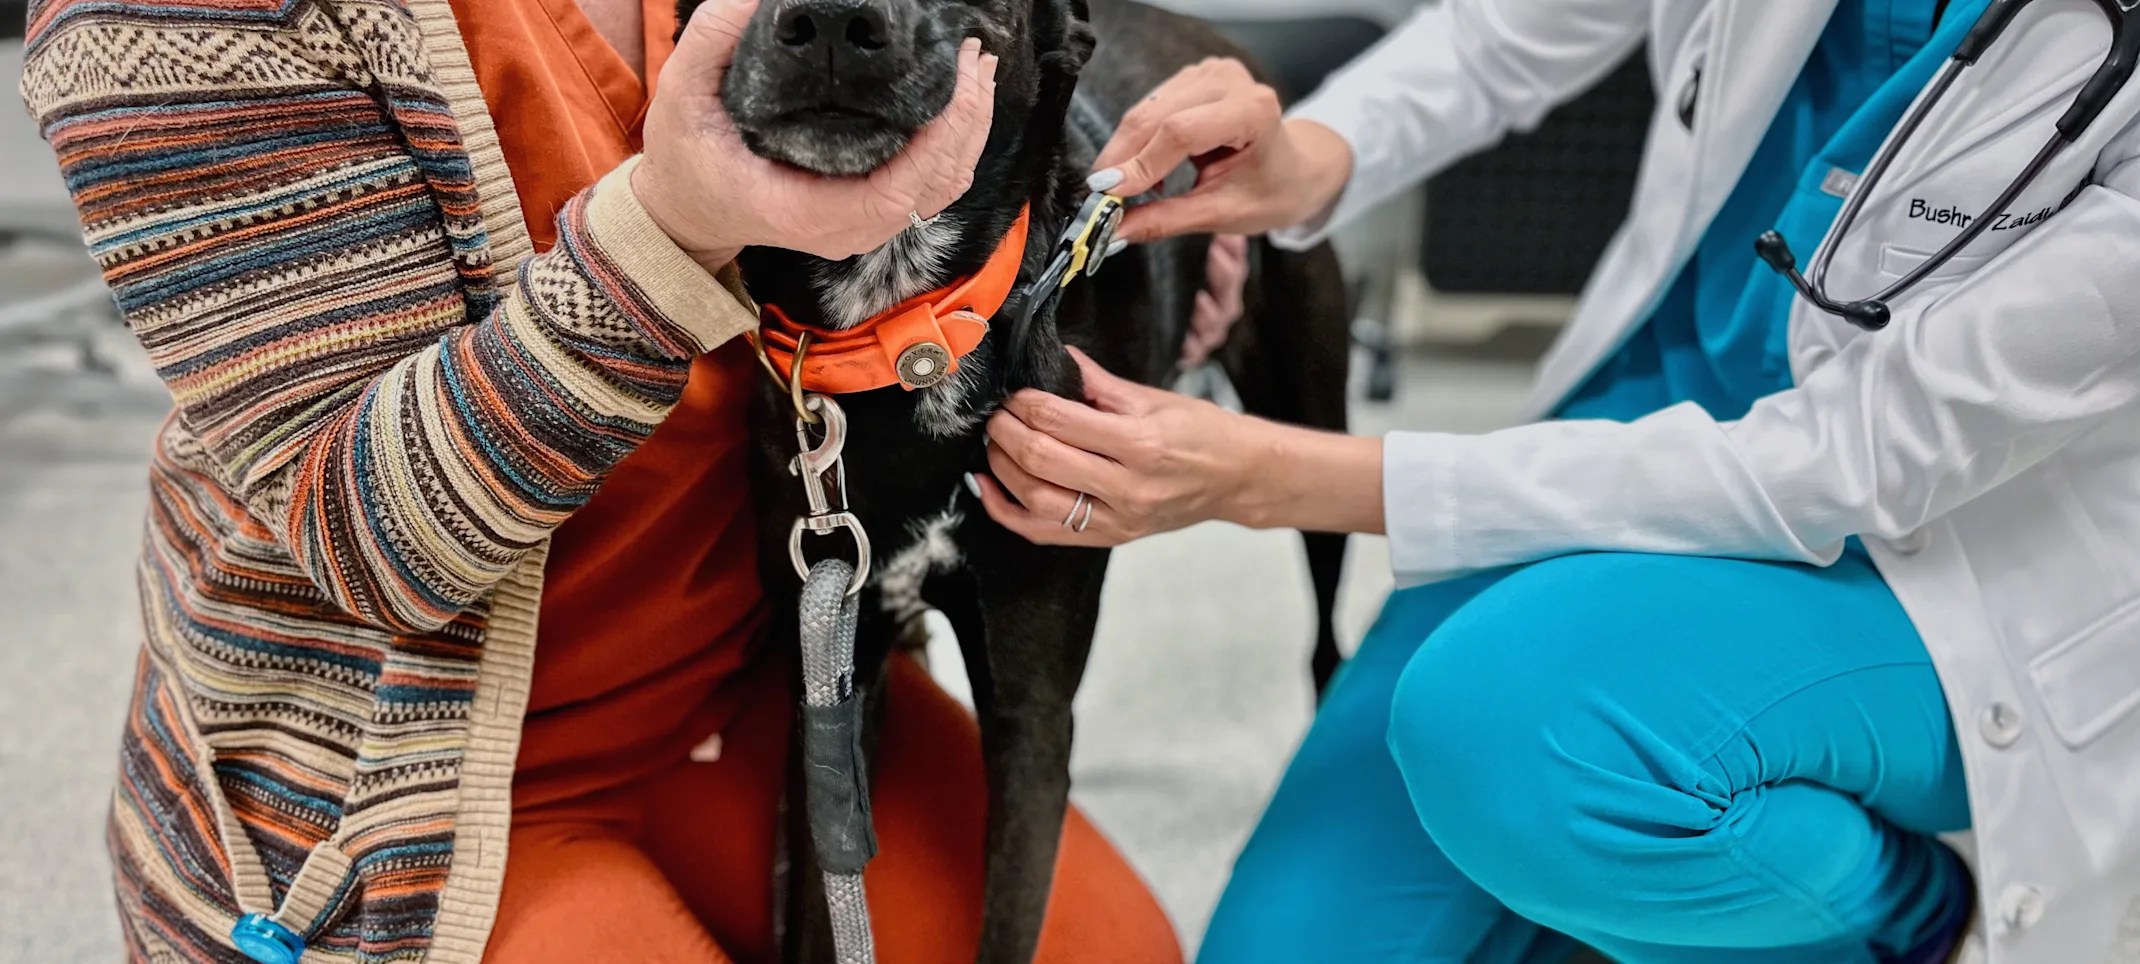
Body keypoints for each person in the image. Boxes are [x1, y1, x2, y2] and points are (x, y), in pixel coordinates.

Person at [974, 1, 2140, 962]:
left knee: (1510, 731)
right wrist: (1302, 160)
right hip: (1650, 401)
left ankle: (1907, 923)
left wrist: (1275, 478)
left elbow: (1850, 457)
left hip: (1948, 560)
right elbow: (1504, 33)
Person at [18, 0, 1185, 959]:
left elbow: (1012, 78)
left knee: (1122, 950)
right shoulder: (164, 19)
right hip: (409, 790)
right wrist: (667, 231)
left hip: (746, 684)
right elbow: (367, 541)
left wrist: (1135, 227)